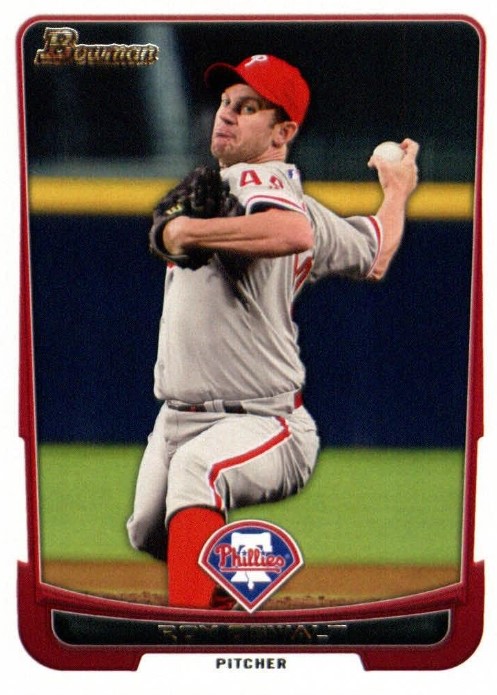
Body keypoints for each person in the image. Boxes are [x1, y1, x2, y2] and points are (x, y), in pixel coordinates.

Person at [126, 54, 419, 609]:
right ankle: (229, 600)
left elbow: (288, 230)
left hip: (263, 420)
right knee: (147, 528)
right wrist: (397, 191)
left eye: (248, 107)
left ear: (283, 133)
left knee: (197, 471)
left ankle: (190, 632)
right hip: (180, 418)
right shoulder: (294, 205)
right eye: (225, 102)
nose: (226, 114)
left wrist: (187, 231)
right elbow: (375, 253)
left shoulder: (259, 181)